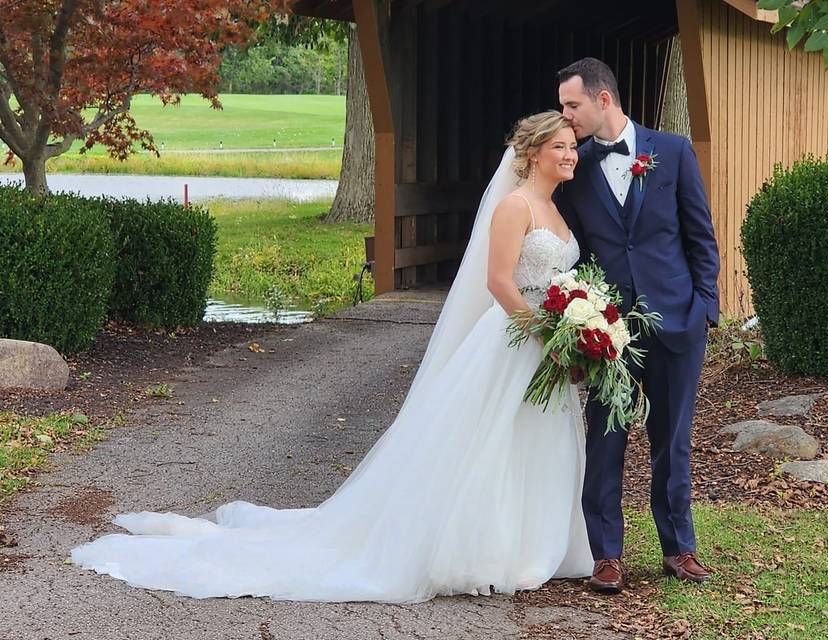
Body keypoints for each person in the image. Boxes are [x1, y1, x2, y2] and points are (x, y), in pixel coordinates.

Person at [71, 112, 594, 603]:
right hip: (515, 338)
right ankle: (487, 548)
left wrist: (573, 327)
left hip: (548, 339)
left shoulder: (557, 209)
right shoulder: (515, 206)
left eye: (573, 147)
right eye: (561, 147)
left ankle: (534, 545)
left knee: (536, 439)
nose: (570, 155)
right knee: (493, 442)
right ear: (532, 152)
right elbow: (499, 281)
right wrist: (545, 335)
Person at [555, 57, 721, 591]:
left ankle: (679, 548)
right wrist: (582, 319)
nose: (566, 116)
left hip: (678, 323)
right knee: (606, 438)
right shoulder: (574, 168)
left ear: (603, 100)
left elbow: (700, 236)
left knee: (672, 440)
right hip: (610, 331)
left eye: (572, 105)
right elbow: (575, 251)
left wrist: (704, 310)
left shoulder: (671, 152)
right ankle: (606, 554)